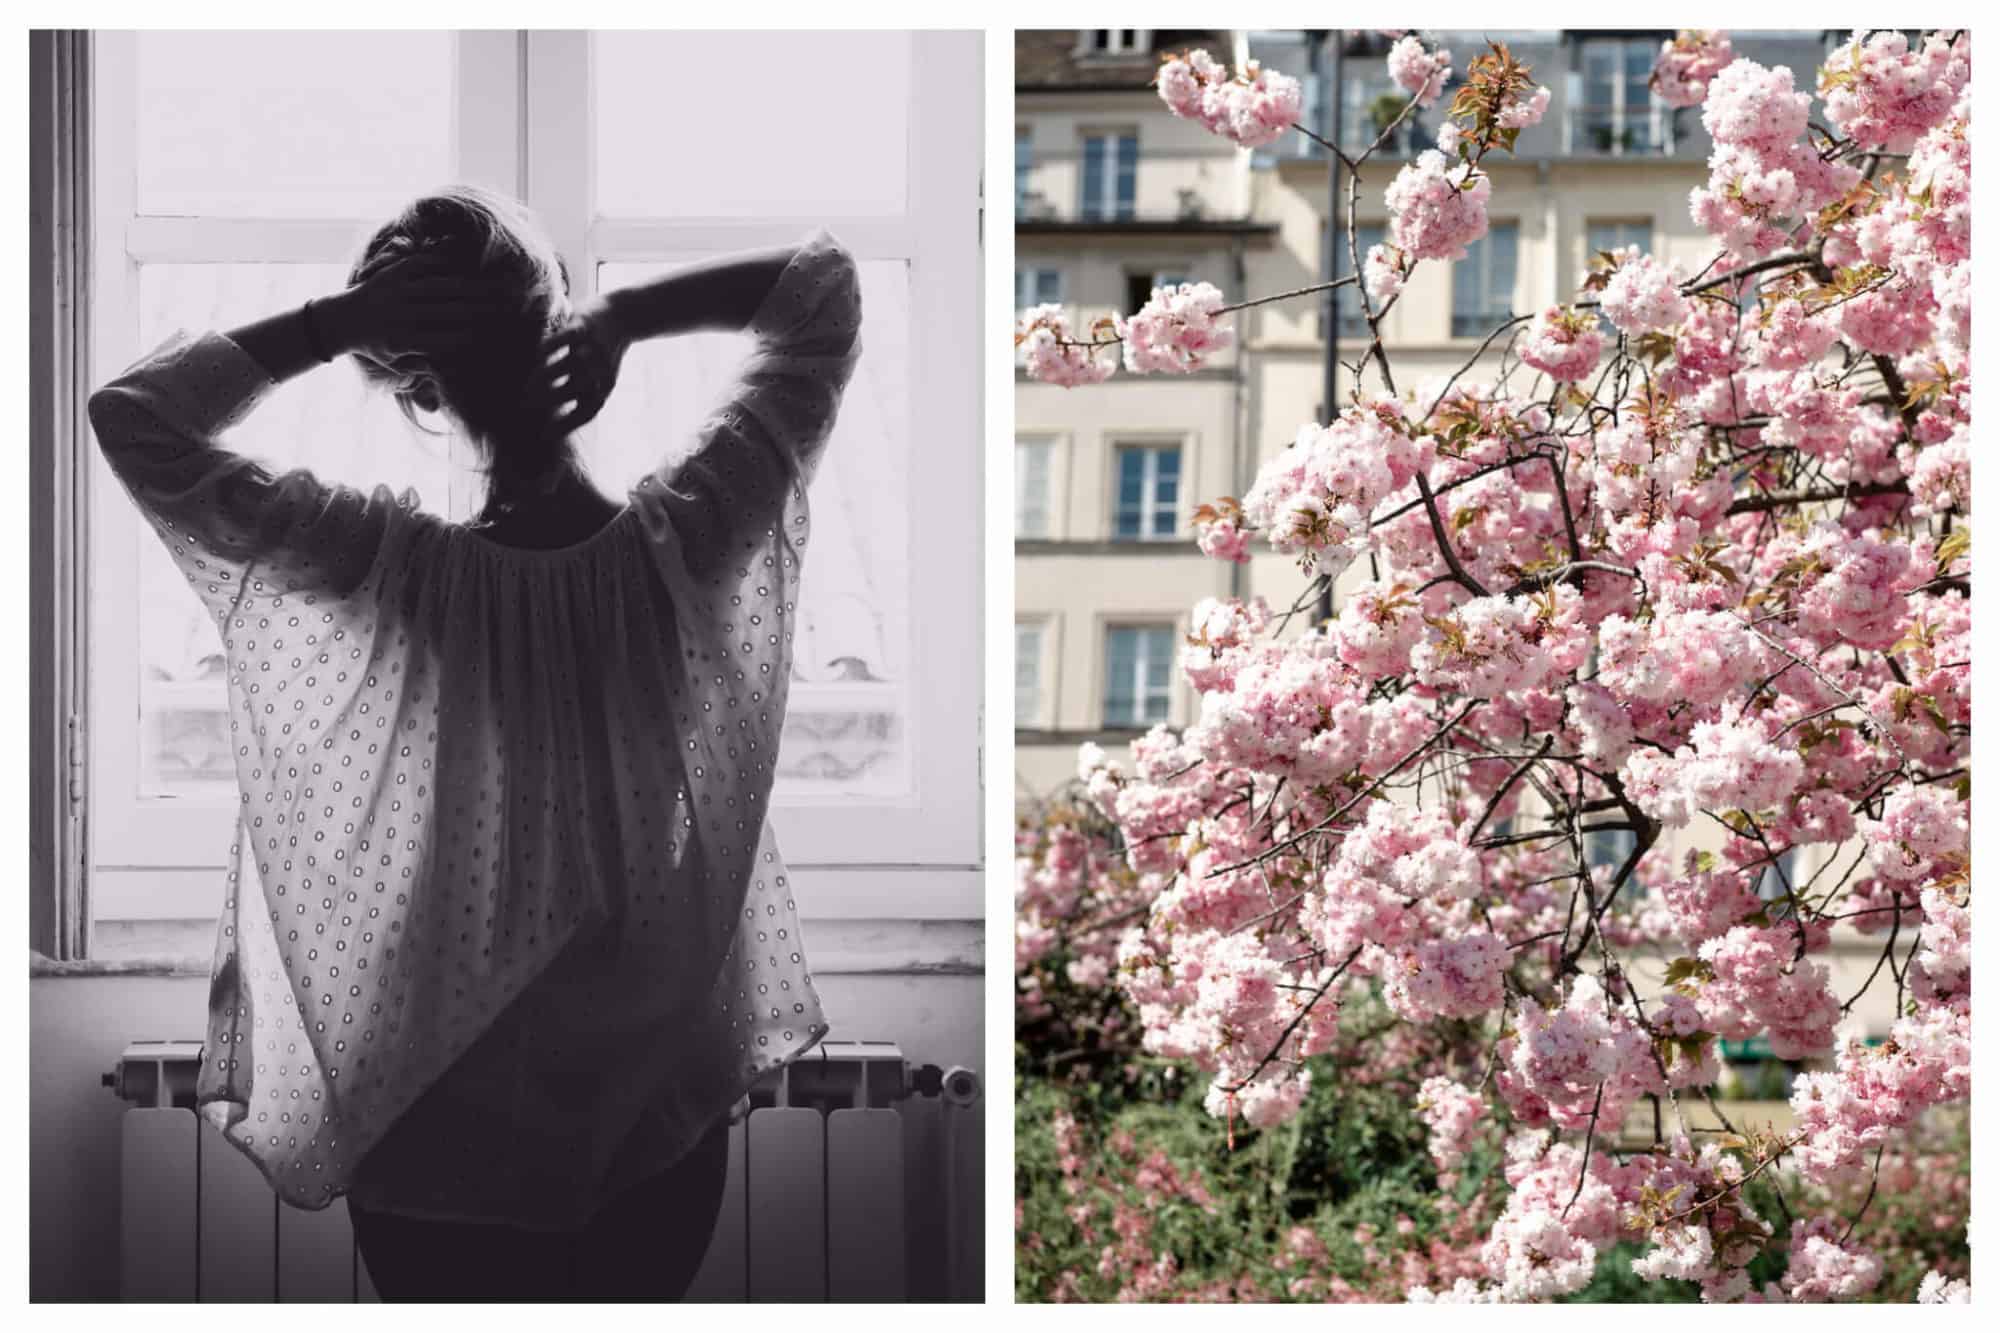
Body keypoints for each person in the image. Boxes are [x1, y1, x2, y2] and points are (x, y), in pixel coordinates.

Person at [87, 185, 862, 1300]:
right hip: (648, 1070)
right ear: (550, 315)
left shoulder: (383, 569)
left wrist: (332, 322)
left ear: (409, 379)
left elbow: (135, 414)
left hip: (435, 1080)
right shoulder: (687, 542)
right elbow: (819, 293)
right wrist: (628, 315)